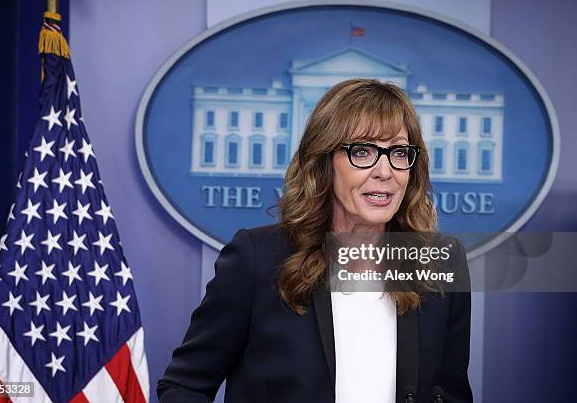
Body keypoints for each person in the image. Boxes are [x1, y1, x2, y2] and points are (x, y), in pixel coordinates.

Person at [157, 79, 472, 402]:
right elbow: (184, 386)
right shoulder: (258, 258)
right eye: (362, 151)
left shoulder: (442, 263)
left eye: (398, 152)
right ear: (323, 162)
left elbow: (452, 394)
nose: (385, 171)